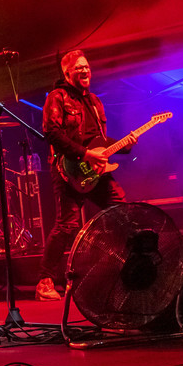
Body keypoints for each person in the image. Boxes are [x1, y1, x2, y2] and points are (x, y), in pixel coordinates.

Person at [36, 50, 126, 301]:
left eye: (86, 66)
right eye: (78, 68)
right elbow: (52, 133)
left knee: (120, 210)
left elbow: (99, 139)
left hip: (95, 169)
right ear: (67, 73)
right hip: (67, 169)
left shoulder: (94, 101)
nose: (85, 70)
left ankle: (120, 266)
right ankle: (44, 282)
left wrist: (124, 145)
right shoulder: (58, 97)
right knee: (67, 224)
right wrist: (85, 154)